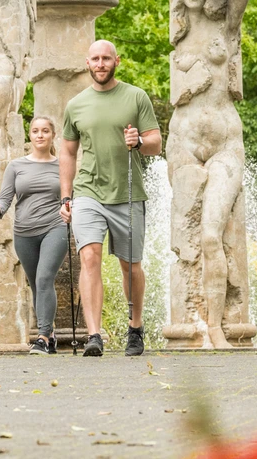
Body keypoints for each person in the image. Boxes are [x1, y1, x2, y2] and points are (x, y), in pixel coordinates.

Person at [59, 40, 161, 357]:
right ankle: (94, 335)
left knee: (130, 266)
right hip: (88, 191)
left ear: (116, 61)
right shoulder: (75, 105)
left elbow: (156, 144)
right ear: (87, 63)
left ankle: (135, 326)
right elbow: (67, 152)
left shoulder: (135, 97)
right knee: (89, 257)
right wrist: (66, 195)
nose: (101, 64)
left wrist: (139, 139)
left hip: (128, 193)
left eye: (106, 58)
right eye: (95, 59)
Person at [0, 116, 67, 355]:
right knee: (36, 284)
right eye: (35, 131)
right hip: (24, 232)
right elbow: (5, 197)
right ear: (30, 136)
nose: (40, 135)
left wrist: (71, 206)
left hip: (55, 227)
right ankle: (50, 335)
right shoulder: (16, 166)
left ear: (53, 135)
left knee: (44, 279)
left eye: (45, 131)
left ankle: (42, 336)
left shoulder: (63, 165)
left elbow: (71, 195)